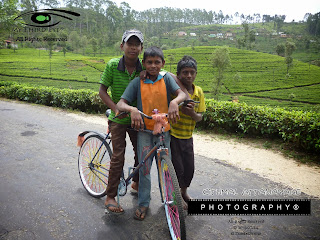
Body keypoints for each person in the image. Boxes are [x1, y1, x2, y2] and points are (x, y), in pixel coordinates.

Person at [117, 46, 186, 220]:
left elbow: (182, 95)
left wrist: (174, 102)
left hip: (164, 131)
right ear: (144, 64)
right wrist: (132, 108)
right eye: (149, 62)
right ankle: (143, 203)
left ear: (163, 63)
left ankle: (169, 200)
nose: (153, 66)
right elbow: (120, 104)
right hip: (144, 132)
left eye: (157, 62)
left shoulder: (167, 79)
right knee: (145, 168)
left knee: (165, 168)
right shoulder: (137, 83)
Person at [99, 29, 144, 214]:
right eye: (129, 44)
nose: (133, 47)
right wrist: (116, 108)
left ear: (141, 48)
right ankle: (110, 196)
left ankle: (135, 182)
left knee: (142, 152)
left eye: (137, 44)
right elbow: (102, 91)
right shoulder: (112, 65)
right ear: (122, 46)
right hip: (118, 117)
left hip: (136, 117)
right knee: (118, 155)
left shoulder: (144, 68)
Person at [170, 55, 206, 209]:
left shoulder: (198, 92)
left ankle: (183, 192)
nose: (189, 75)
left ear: (196, 74)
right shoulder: (174, 91)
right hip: (173, 136)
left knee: (189, 168)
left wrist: (191, 113)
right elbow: (165, 73)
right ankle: (174, 197)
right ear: (179, 75)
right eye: (185, 72)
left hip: (188, 136)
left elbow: (199, 117)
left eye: (192, 72)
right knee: (177, 169)